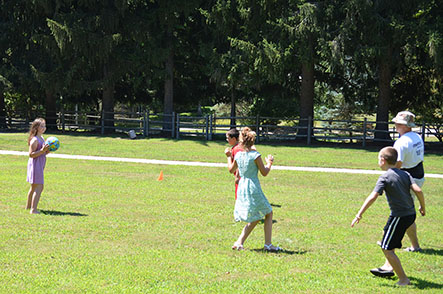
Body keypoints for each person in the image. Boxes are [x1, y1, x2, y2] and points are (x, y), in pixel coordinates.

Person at [351, 147, 425, 286]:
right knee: (387, 232)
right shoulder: (405, 174)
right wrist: (422, 206)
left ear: (383, 160)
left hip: (400, 216)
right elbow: (418, 190)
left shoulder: (384, 177)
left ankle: (403, 279)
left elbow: (373, 196)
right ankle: (389, 265)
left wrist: (359, 214)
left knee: (386, 249)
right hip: (410, 214)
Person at [225, 127, 281, 252]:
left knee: (260, 214)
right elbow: (264, 172)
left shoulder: (238, 155)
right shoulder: (255, 155)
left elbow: (231, 170)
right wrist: (270, 163)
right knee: (267, 212)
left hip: (242, 187)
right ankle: (267, 244)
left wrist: (229, 156)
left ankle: (240, 242)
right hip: (253, 187)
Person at [392, 111, 425, 252]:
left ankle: (412, 245)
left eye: (398, 123)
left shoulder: (401, 142)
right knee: (405, 212)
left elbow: (397, 164)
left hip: (408, 179)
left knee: (404, 213)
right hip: (419, 175)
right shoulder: (417, 137)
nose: (395, 125)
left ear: (405, 126)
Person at [26, 118, 50, 214]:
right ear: (36, 128)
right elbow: (31, 154)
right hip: (35, 165)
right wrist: (42, 151)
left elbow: (42, 153)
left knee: (33, 187)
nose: (44, 128)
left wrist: (47, 151)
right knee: (39, 187)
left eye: (44, 126)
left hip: (40, 164)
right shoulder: (35, 140)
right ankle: (33, 210)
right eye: (41, 126)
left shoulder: (42, 138)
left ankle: (28, 207)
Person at [225, 128, 242, 200]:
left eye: (228, 138)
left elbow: (239, 163)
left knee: (239, 198)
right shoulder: (236, 148)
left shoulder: (237, 149)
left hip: (240, 178)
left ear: (234, 138)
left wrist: (237, 176)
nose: (227, 140)